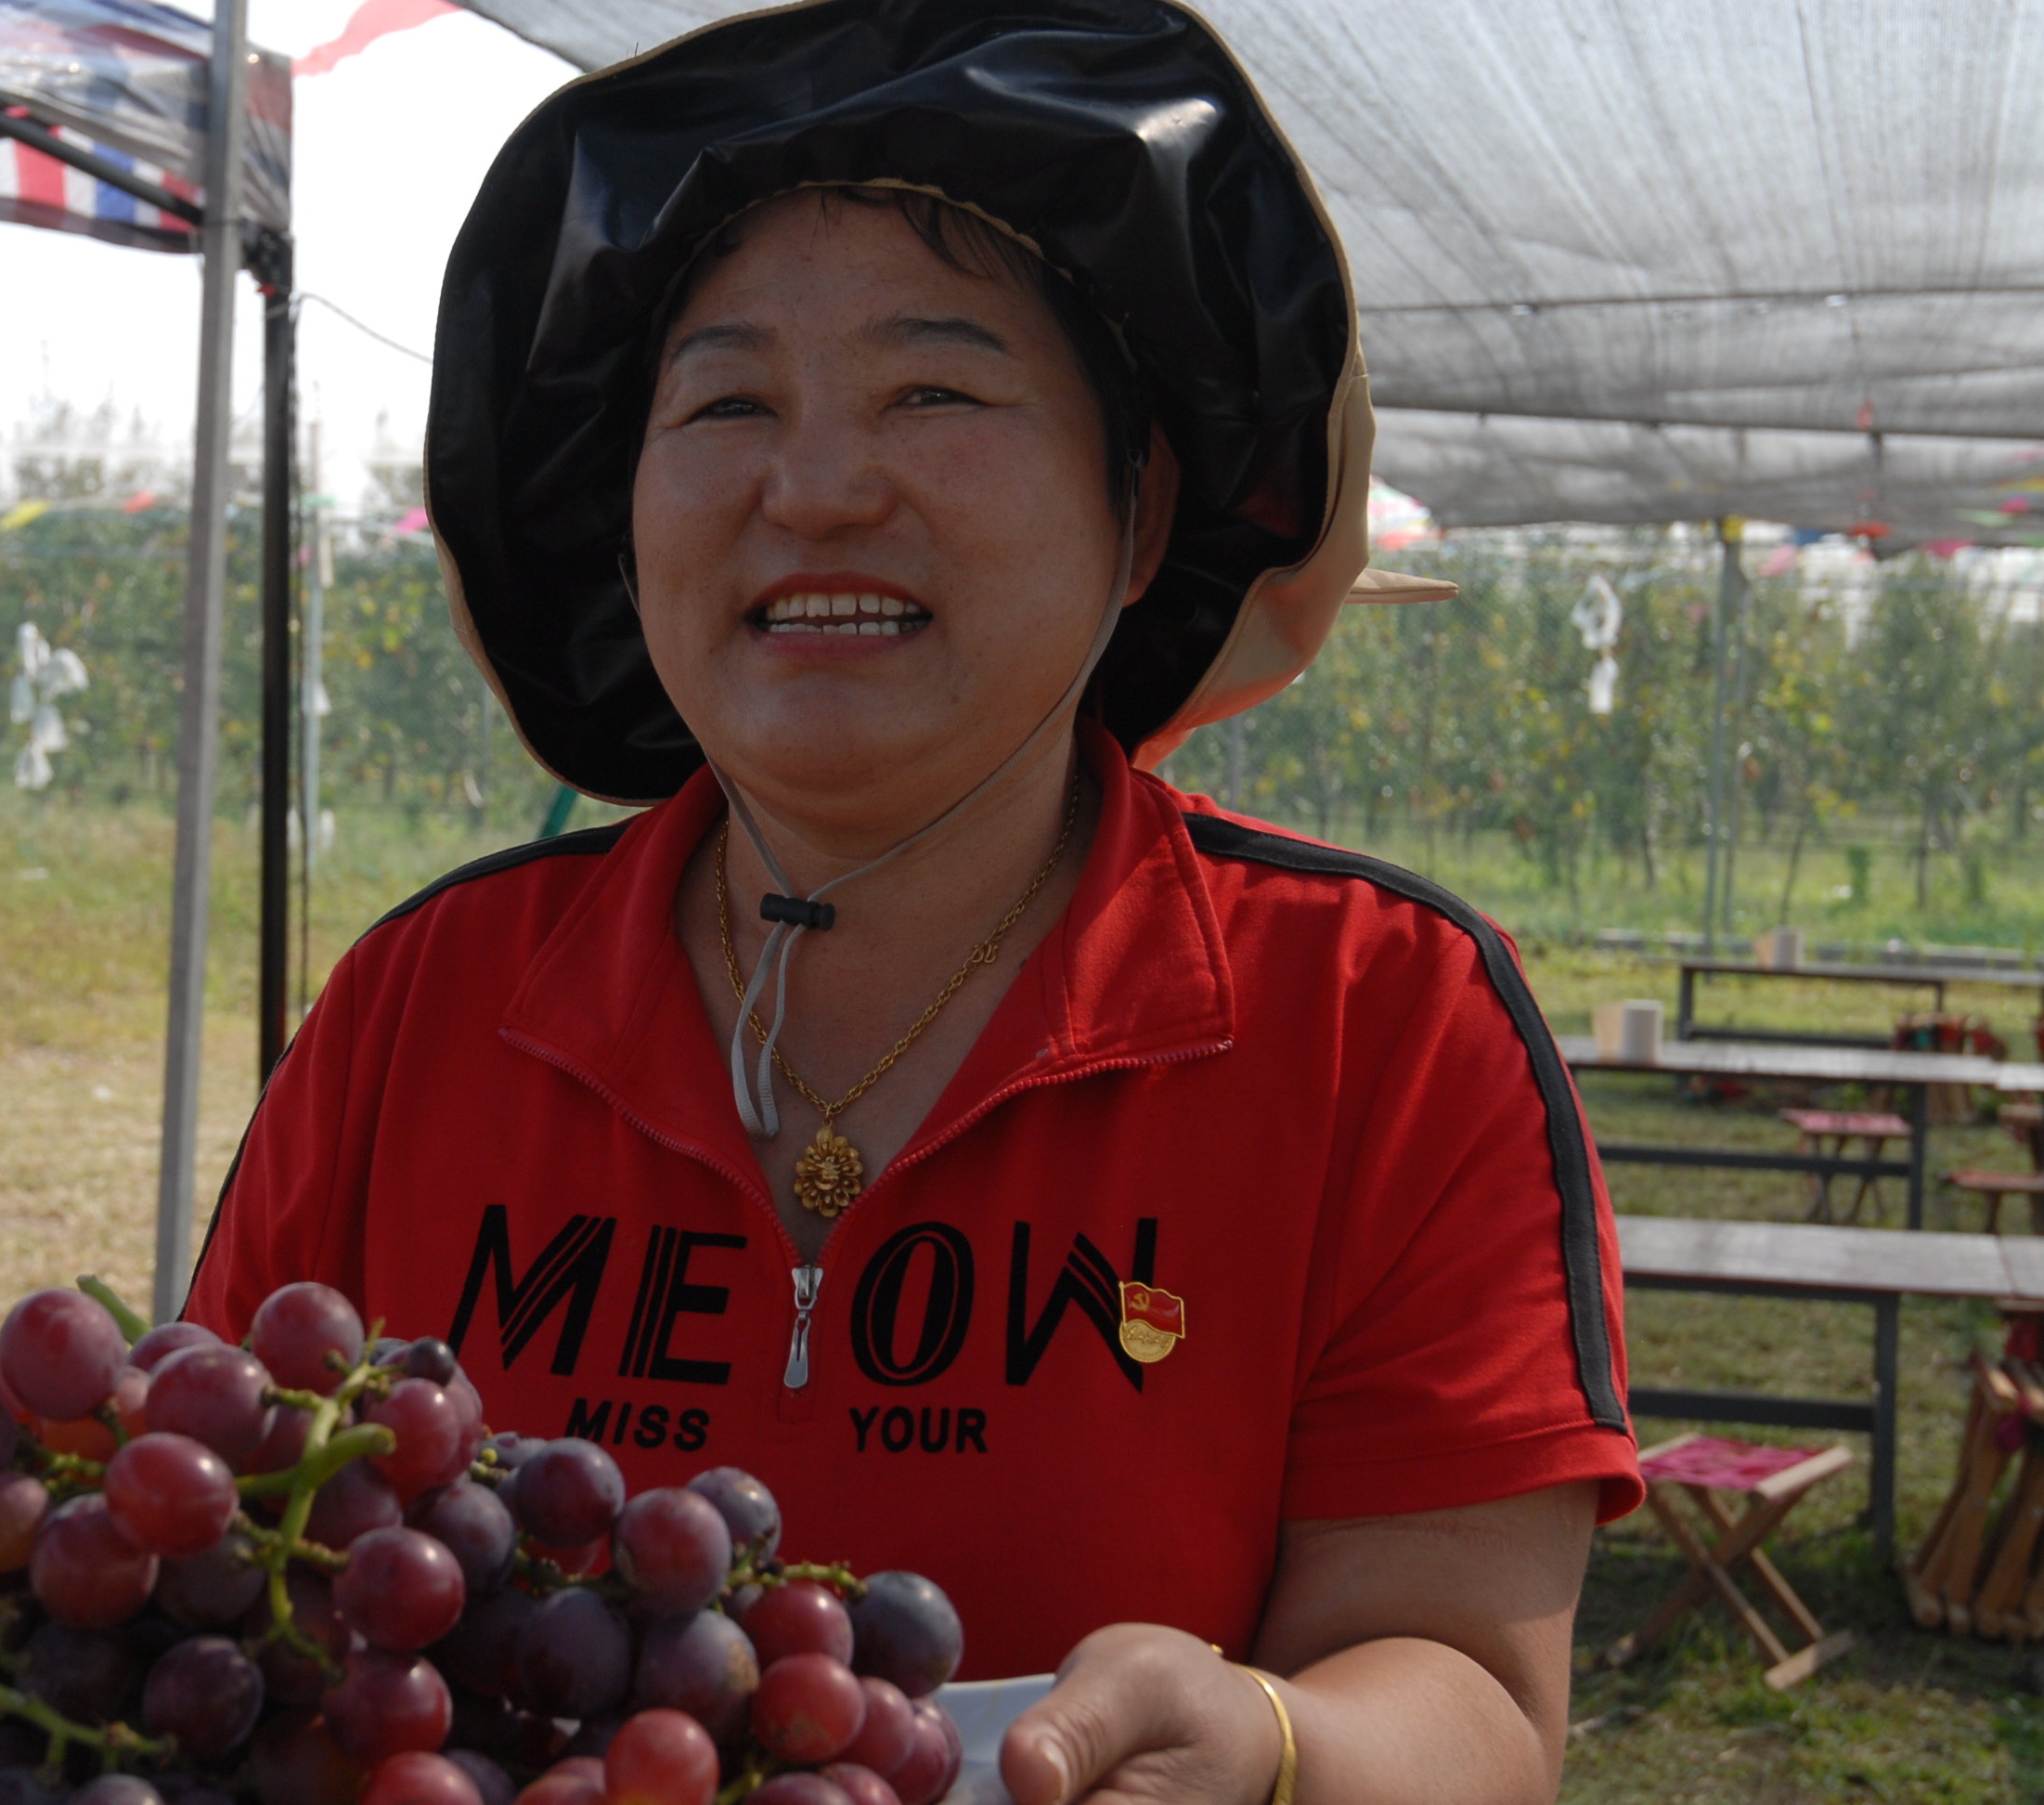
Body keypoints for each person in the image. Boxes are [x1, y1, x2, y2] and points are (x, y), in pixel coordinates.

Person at [188, 3, 1642, 1799]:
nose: (815, 488)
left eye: (933, 391)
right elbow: (221, 1567)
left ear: (1138, 510)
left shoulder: (1379, 1019)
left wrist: (1275, 1746)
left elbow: (1476, 1689)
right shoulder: (431, 1001)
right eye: (724, 401)